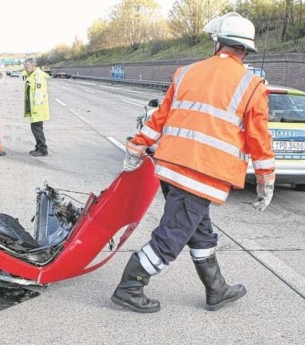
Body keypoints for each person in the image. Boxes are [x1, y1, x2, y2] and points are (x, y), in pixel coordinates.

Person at [111, 12, 276, 313]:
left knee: (199, 231)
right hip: (203, 174)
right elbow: (259, 138)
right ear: (245, 50)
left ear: (218, 44)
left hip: (170, 169)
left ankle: (217, 289)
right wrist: (266, 180)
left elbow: (159, 117)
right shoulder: (252, 86)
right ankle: (130, 287)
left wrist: (137, 146)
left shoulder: (186, 72)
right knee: (172, 235)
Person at [22, 57, 51, 157]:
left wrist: (35, 108)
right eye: (25, 66)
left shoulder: (38, 76)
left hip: (38, 107)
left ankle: (43, 149)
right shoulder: (32, 75)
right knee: (35, 128)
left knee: (37, 128)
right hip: (35, 107)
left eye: (28, 66)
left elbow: (39, 93)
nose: (26, 68)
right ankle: (39, 147)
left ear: (33, 65)